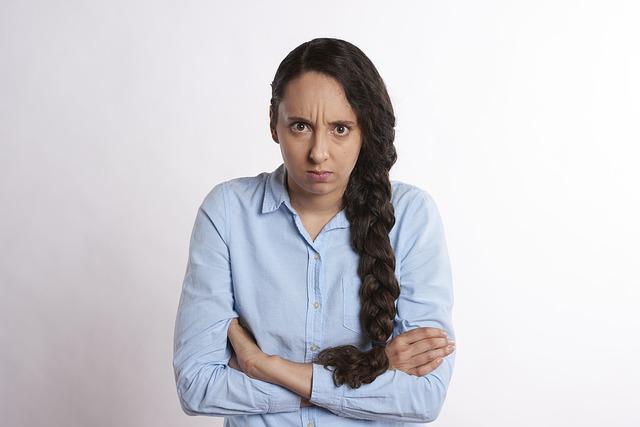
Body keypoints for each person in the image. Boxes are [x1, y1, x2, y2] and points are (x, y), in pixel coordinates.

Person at [172, 37, 456, 426]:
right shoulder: (227, 212)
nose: (318, 152)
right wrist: (367, 376)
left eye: (340, 128)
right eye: (301, 126)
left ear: (364, 131)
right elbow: (197, 385)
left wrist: (265, 365)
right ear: (274, 123)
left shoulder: (411, 216)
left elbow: (424, 397)